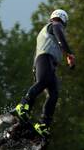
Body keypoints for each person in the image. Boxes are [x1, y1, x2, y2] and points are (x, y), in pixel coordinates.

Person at [13, 9, 76, 138]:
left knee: (54, 94)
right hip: (45, 59)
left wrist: (34, 71)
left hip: (46, 64)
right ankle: (23, 105)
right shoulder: (56, 25)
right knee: (42, 83)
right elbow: (60, 35)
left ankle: (41, 124)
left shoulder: (49, 31)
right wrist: (69, 53)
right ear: (64, 20)